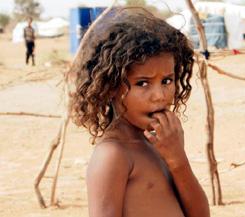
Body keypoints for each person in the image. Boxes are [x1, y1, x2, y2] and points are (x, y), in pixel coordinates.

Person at [69, 7, 210, 217]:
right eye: (143, 83)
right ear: (110, 87)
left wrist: (177, 158)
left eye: (167, 80)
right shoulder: (113, 155)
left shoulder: (161, 142)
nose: (159, 95)